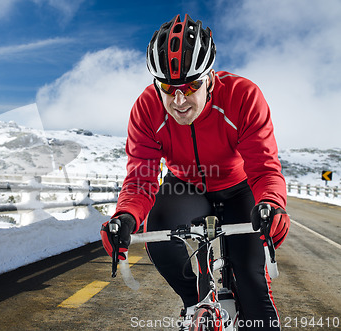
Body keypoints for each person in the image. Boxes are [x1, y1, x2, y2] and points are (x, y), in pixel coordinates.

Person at [100, 14, 290, 330]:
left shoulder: (243, 96)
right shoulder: (147, 108)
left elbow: (264, 168)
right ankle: (194, 303)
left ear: (210, 75)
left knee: (252, 284)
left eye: (190, 86)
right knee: (157, 235)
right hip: (184, 187)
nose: (178, 100)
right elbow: (141, 178)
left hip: (239, 186)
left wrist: (272, 205)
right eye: (166, 86)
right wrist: (125, 217)